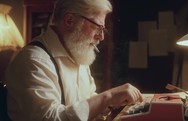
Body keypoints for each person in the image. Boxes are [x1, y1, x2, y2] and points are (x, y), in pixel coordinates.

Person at [5, 0, 144, 120]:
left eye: (103, 29)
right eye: (97, 27)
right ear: (69, 20)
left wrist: (112, 103)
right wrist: (107, 97)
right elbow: (50, 118)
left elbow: (86, 101)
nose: (101, 36)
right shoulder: (33, 61)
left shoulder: (76, 52)